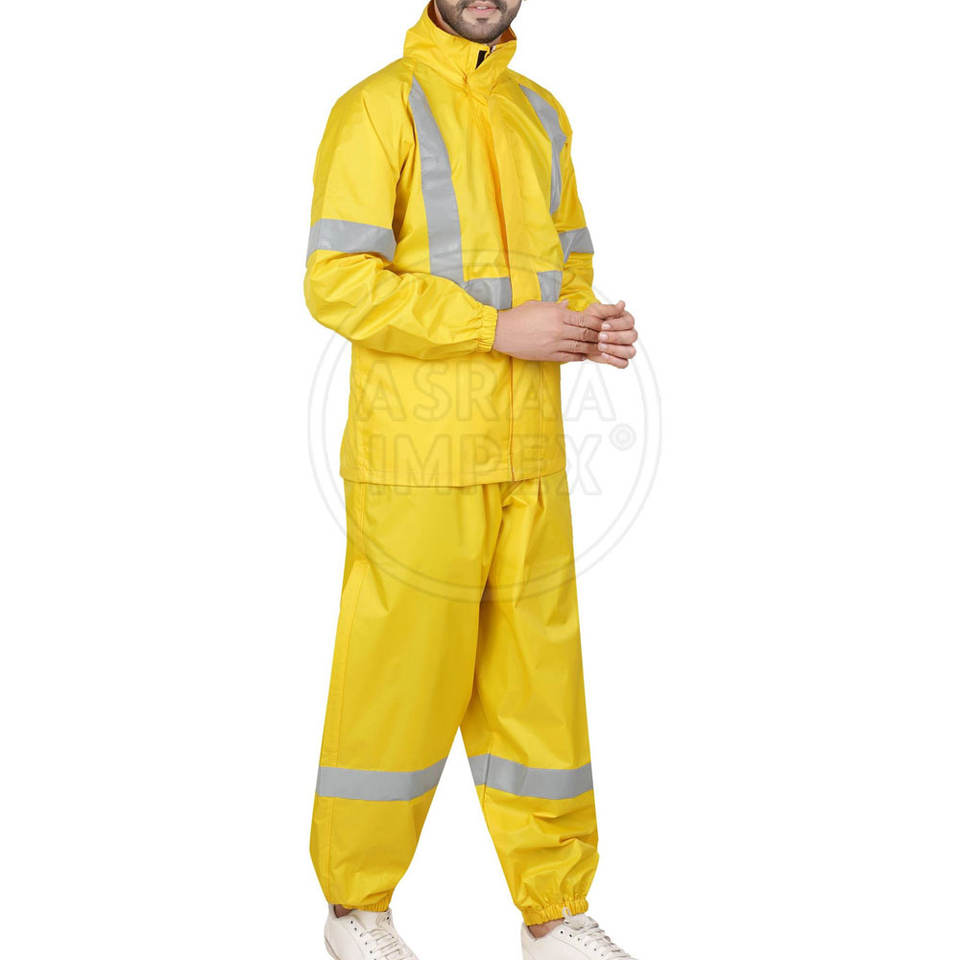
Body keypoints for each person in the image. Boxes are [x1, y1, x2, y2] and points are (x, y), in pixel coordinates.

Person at [304, 2, 639, 958]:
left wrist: (586, 326)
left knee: (540, 690)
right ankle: (357, 909)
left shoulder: (541, 113)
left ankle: (554, 912)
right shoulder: (379, 107)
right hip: (417, 459)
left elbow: (569, 257)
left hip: (530, 453)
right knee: (400, 683)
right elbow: (336, 280)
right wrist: (494, 329)